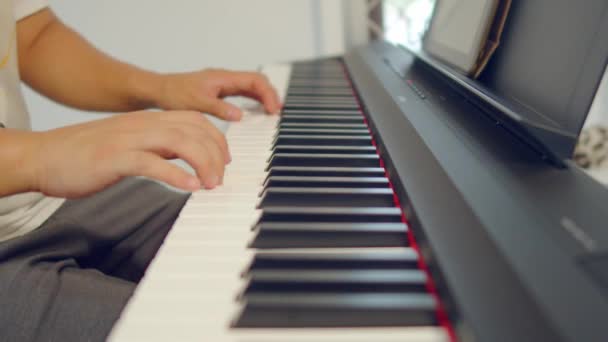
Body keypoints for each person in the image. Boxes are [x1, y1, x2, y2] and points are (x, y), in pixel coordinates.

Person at [0, 1, 281, 341]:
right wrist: (40, 156)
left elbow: (33, 35)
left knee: (263, 243)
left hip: (40, 201)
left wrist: (160, 88)